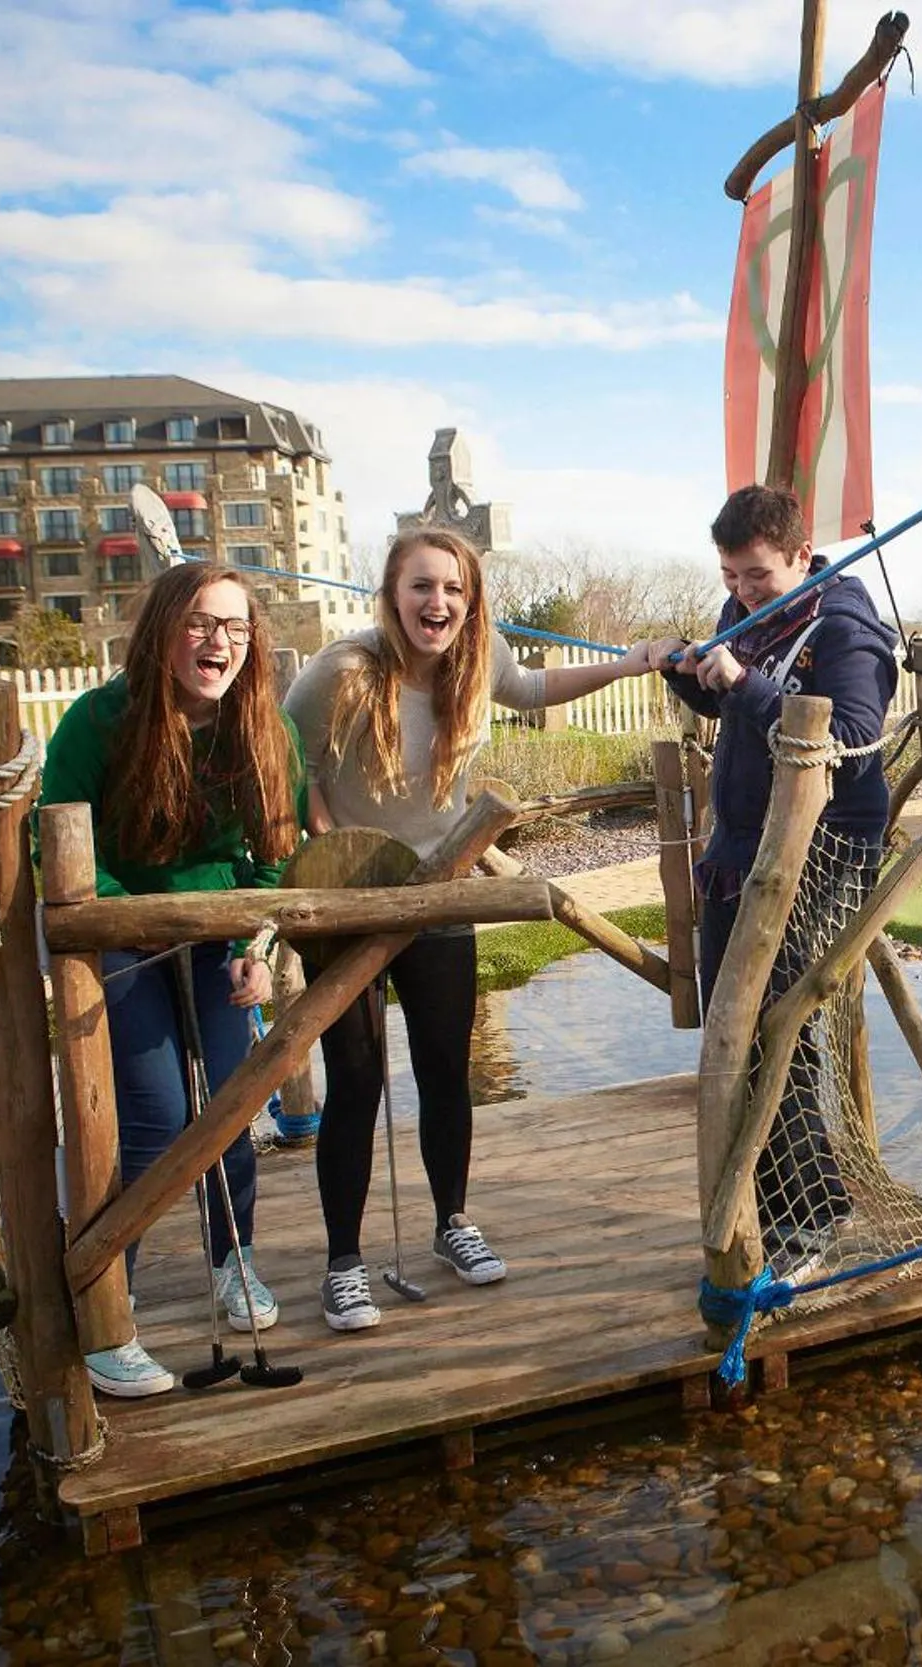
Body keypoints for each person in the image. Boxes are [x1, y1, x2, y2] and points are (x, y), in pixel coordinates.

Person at [285, 523, 672, 1331]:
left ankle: (452, 1221)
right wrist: (324, 840)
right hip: (351, 897)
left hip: (441, 892)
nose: (439, 602)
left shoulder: (476, 661)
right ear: (393, 593)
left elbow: (531, 689)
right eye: (423, 585)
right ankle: (343, 1264)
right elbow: (291, 759)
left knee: (444, 1072)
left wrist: (632, 663)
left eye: (454, 589)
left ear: (472, 599)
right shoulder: (344, 671)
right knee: (354, 1083)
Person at [39, 562, 307, 1400]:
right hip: (118, 936)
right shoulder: (99, 721)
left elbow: (274, 860)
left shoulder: (263, 727)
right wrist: (135, 921)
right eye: (198, 622)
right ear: (160, 630)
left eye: (233, 626)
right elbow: (57, 841)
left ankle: (236, 1262)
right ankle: (108, 1309)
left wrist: (255, 944)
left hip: (217, 937)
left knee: (231, 1103)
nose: (217, 641)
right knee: (154, 1116)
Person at [653, 484, 900, 1280]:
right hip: (743, 853)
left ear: (801, 555)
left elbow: (852, 738)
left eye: (756, 575)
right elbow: (738, 710)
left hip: (819, 853)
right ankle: (772, 1200)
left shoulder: (845, 628)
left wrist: (747, 684)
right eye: (729, 575)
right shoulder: (747, 614)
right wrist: (689, 674)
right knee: (735, 1030)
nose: (741, 591)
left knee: (779, 1030)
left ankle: (814, 1214)